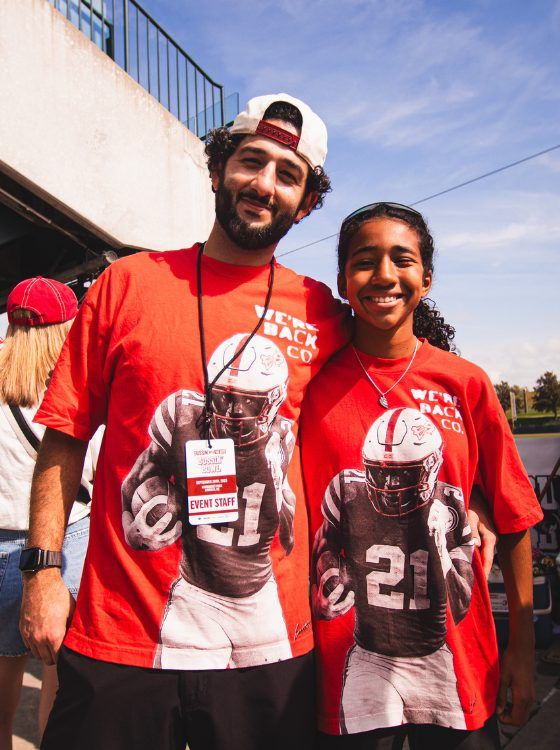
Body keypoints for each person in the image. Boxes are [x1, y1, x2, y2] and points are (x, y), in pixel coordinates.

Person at [19, 94, 350, 750]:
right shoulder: (127, 284)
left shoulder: (323, 314)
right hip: (125, 634)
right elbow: (64, 436)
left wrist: (478, 502)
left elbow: (392, 401)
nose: (264, 184)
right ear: (218, 165)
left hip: (267, 642)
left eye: (288, 174)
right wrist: (43, 574)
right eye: (251, 161)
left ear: (308, 202)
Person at [300, 202, 543, 749]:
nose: (384, 275)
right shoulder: (310, 384)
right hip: (350, 656)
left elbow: (513, 513)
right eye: (365, 261)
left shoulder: (463, 382)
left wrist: (521, 655)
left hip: (452, 657)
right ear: (341, 280)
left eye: (402, 260)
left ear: (426, 278)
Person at [0, 277, 96, 749]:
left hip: (0, 543)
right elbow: (94, 470)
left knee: (2, 685)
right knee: (60, 682)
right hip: (66, 541)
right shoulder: (75, 389)